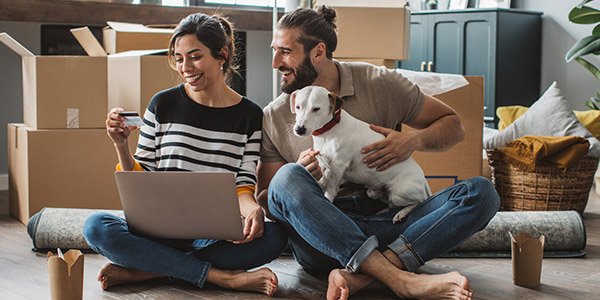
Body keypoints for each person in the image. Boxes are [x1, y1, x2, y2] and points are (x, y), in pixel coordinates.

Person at [257, 6, 500, 300]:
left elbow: (454, 127)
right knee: (286, 178)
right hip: (323, 236)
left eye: (285, 51)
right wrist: (300, 178)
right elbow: (268, 199)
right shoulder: (274, 114)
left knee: (482, 192)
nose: (274, 63)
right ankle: (400, 277)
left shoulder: (378, 82)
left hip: (392, 219)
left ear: (318, 52)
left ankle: (364, 274)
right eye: (274, 50)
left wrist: (411, 141)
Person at [83, 13, 287, 296]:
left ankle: (146, 270)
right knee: (96, 227)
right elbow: (141, 179)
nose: (185, 67)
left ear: (222, 55)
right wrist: (120, 146)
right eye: (179, 58)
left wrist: (252, 208)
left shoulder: (250, 115)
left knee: (275, 236)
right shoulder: (162, 104)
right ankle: (222, 278)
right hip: (157, 231)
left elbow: (242, 184)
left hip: (211, 236)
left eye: (194, 56)